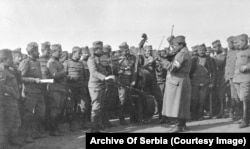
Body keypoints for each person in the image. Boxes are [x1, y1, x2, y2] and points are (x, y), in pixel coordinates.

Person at [161, 35, 192, 133]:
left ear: (181, 44)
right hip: (181, 80)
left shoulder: (181, 54)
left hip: (178, 81)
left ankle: (178, 126)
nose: (173, 47)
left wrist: (163, 60)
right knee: (182, 104)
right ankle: (182, 125)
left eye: (174, 45)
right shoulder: (183, 52)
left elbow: (172, 68)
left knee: (177, 104)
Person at [18, 42, 46, 143]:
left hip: (39, 91)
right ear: (31, 51)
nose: (38, 52)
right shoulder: (25, 62)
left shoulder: (37, 62)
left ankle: (34, 132)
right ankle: (26, 135)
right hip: (29, 92)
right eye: (36, 50)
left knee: (41, 113)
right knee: (28, 114)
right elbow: (20, 78)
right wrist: (33, 80)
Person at [87, 41, 115, 132]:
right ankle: (93, 129)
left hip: (101, 85)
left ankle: (98, 126)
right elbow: (94, 72)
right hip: (95, 86)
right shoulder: (91, 60)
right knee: (96, 107)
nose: (102, 50)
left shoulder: (101, 58)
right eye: (101, 48)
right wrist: (105, 78)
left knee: (100, 106)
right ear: (97, 49)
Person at [0, 49, 23, 148]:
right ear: (4, 59)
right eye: (10, 58)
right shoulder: (1, 70)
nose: (12, 60)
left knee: (16, 121)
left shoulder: (9, 69)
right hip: (7, 100)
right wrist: (13, 90)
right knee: (8, 123)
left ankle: (12, 140)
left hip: (13, 100)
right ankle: (5, 145)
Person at [64, 46, 90, 131]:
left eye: (81, 53)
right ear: (74, 53)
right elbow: (63, 75)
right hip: (71, 88)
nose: (80, 55)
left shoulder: (82, 63)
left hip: (81, 88)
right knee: (70, 107)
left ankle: (82, 122)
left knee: (84, 105)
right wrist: (71, 78)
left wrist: (85, 85)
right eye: (79, 53)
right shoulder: (67, 63)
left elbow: (85, 76)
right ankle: (71, 124)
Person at [189, 44, 215, 120]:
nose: (202, 52)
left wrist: (212, 82)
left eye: (203, 50)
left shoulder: (210, 60)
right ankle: (194, 114)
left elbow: (213, 72)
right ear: (198, 51)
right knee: (194, 99)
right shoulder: (194, 59)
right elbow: (190, 71)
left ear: (205, 51)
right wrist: (190, 80)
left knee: (202, 99)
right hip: (195, 82)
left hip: (205, 82)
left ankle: (200, 115)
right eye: (200, 50)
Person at [47, 44, 66, 136]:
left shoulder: (58, 62)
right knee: (55, 109)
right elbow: (54, 75)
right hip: (55, 89)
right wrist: (64, 72)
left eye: (61, 51)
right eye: (59, 51)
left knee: (59, 109)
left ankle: (56, 128)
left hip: (60, 88)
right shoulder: (51, 62)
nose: (60, 53)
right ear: (53, 52)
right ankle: (53, 130)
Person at [233, 34, 250, 128]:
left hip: (246, 78)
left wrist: (247, 67)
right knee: (241, 99)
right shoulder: (238, 52)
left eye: (239, 42)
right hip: (237, 79)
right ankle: (244, 117)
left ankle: (245, 119)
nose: (237, 44)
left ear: (244, 41)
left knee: (244, 99)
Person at [117, 42, 136, 125]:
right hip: (121, 81)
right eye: (125, 50)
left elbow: (134, 69)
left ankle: (133, 118)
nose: (127, 52)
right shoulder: (118, 59)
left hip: (130, 80)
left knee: (130, 99)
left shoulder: (132, 58)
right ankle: (122, 119)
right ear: (121, 51)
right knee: (122, 99)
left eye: (127, 50)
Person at [143, 45, 163, 122]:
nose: (149, 52)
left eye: (150, 50)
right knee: (148, 101)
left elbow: (158, 70)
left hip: (154, 82)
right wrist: (147, 64)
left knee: (160, 98)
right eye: (147, 51)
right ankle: (147, 116)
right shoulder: (141, 58)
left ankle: (161, 116)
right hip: (145, 83)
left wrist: (158, 64)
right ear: (144, 51)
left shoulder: (154, 59)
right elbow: (139, 68)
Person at [224, 36, 241, 121]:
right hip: (230, 77)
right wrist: (226, 76)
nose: (229, 45)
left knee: (238, 96)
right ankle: (234, 113)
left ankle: (239, 114)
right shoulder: (229, 52)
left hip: (237, 77)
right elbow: (227, 65)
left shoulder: (239, 52)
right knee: (233, 96)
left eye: (230, 43)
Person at [212, 40, 227, 118]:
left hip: (222, 77)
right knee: (217, 96)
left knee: (221, 96)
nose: (214, 49)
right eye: (213, 47)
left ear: (220, 46)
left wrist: (213, 58)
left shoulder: (223, 55)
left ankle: (222, 112)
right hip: (217, 78)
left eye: (215, 47)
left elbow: (220, 64)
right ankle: (218, 112)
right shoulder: (216, 55)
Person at [38, 42, 51, 131]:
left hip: (51, 86)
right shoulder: (38, 60)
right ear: (42, 50)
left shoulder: (51, 60)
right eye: (47, 50)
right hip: (41, 86)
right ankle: (40, 126)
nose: (49, 51)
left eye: (50, 49)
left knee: (50, 105)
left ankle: (47, 125)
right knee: (41, 108)